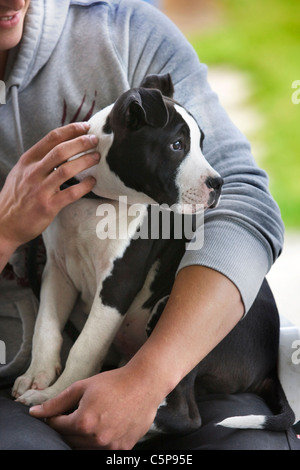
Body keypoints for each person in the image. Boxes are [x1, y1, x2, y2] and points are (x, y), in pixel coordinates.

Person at [0, 0, 298, 451]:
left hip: (182, 362)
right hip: (20, 391)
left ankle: (172, 408)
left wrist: (148, 378)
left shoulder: (126, 31)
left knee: (252, 448)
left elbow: (245, 199)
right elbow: (65, 271)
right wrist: (4, 231)